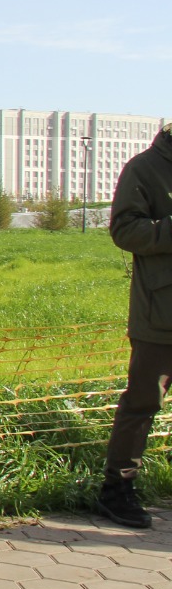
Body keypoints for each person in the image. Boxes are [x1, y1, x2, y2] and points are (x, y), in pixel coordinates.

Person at [97, 122, 172, 528]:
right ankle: (117, 491)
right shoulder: (145, 168)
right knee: (143, 404)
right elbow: (125, 229)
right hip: (161, 313)